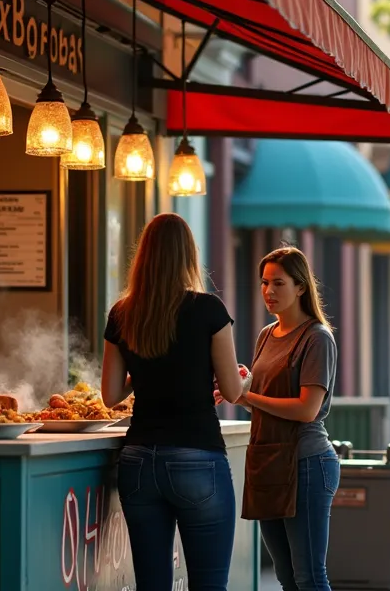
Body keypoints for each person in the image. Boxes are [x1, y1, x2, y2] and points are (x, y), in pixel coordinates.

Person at [100, 213, 243, 591]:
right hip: (198, 456)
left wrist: (147, 369)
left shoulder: (123, 313)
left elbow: (110, 396)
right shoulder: (209, 309)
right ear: (188, 256)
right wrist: (244, 377)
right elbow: (232, 392)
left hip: (139, 461)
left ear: (143, 256)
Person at [230, 246, 339, 591]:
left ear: (301, 286)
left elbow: (306, 409)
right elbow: (266, 405)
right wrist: (242, 391)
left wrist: (247, 396)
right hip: (269, 462)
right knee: (287, 578)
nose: (269, 291)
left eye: (279, 283)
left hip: (306, 463)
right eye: (264, 283)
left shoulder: (316, 337)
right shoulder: (266, 335)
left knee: (310, 577)